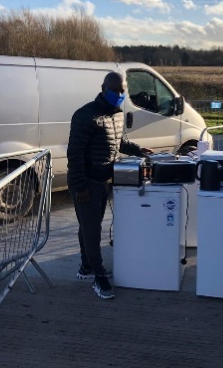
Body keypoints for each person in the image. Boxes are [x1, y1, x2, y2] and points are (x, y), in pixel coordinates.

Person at [67, 72, 152, 300]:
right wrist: (80, 186)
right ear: (103, 88)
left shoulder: (116, 115)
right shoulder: (85, 115)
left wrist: (138, 149)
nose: (120, 95)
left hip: (104, 181)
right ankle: (99, 277)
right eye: (115, 90)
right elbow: (74, 155)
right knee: (92, 230)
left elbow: (118, 142)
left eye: (123, 90)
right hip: (87, 182)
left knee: (88, 226)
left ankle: (86, 267)